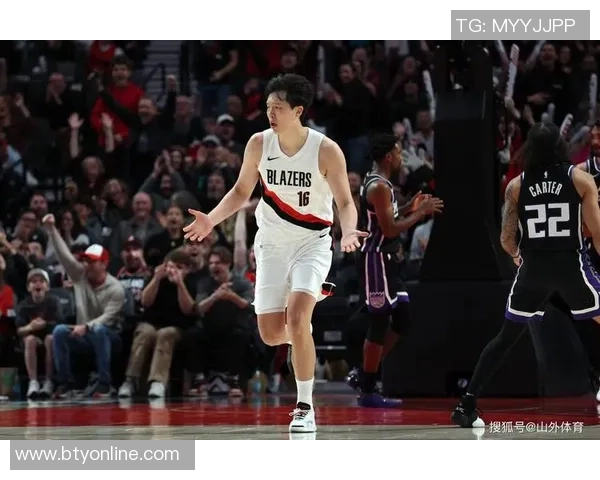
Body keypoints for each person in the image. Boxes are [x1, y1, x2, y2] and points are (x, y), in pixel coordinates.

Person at [184, 73, 366, 433]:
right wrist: (211, 219)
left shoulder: (326, 150)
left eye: (278, 108)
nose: (271, 113)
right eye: (268, 107)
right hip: (270, 244)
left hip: (311, 243)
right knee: (270, 334)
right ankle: (302, 329)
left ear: (298, 111)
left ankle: (304, 407)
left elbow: (345, 202)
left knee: (296, 319)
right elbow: (241, 191)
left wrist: (347, 231)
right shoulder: (258, 143)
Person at [452, 122, 600, 427]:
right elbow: (597, 233)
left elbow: (507, 240)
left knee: (505, 338)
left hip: (533, 271)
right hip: (571, 267)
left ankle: (466, 404)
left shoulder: (516, 186)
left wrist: (518, 257)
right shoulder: (580, 179)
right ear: (560, 146)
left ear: (530, 148)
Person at [346, 133, 443, 407]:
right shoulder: (378, 186)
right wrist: (420, 213)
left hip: (386, 261)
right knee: (379, 323)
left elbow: (385, 216)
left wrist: (408, 206)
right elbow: (389, 229)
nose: (401, 158)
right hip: (376, 259)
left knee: (403, 319)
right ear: (389, 156)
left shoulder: (377, 181)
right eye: (399, 153)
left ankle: (363, 374)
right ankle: (367, 388)